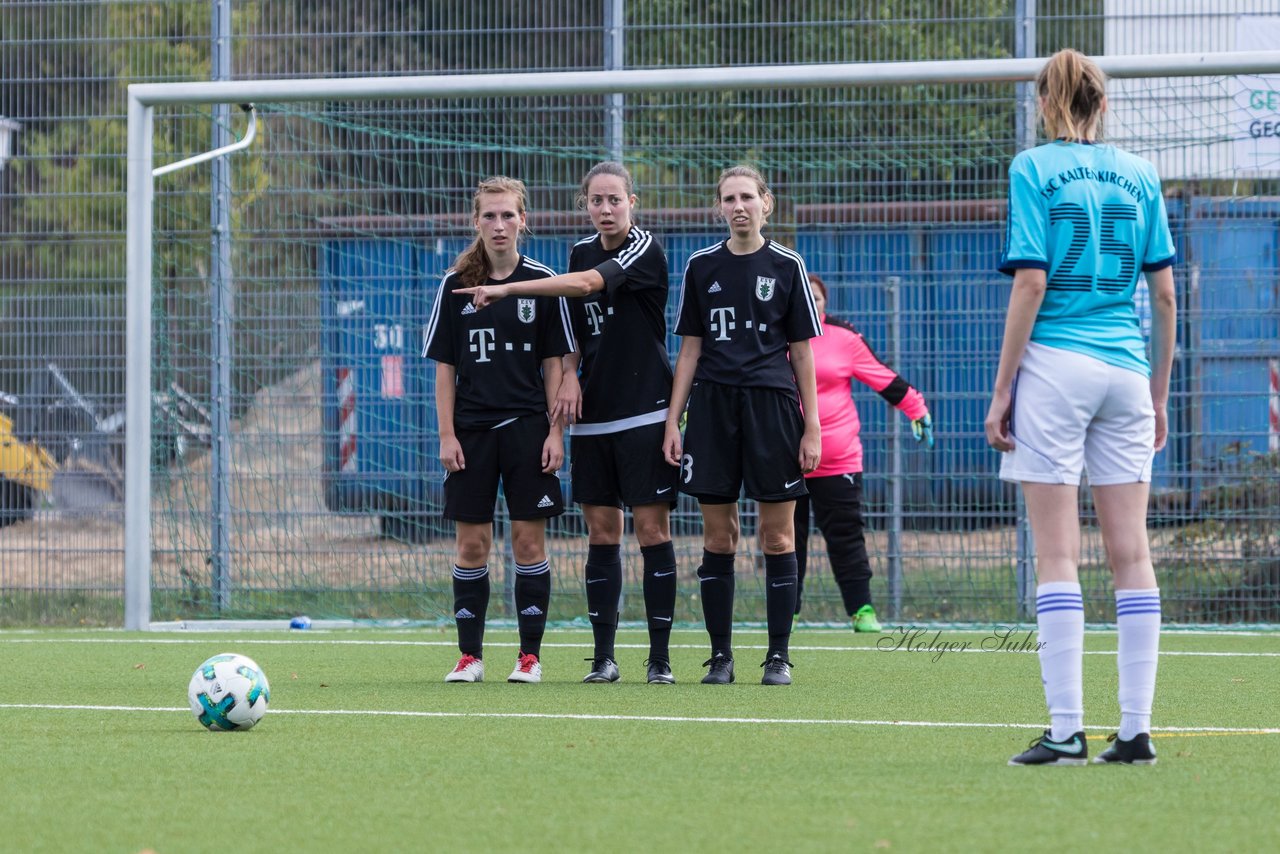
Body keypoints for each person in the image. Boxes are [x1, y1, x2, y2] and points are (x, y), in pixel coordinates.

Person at [988, 49, 1176, 765]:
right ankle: (1135, 731)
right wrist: (1157, 394)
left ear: (1044, 102)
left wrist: (1003, 388)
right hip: (1127, 369)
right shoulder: (1140, 173)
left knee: (1058, 555)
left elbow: (1031, 283)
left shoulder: (1033, 167)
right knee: (1132, 555)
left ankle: (1066, 729)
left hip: (1057, 368)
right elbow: (1162, 295)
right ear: (1102, 103)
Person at [456, 162, 680, 685]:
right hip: (593, 418)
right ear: (585, 205)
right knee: (601, 534)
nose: (606, 209)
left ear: (632, 202)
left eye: (614, 200)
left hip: (645, 409)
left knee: (651, 530)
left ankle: (660, 659)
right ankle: (604, 658)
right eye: (596, 201)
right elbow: (574, 329)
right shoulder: (580, 249)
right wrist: (571, 375)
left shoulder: (643, 247)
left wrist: (509, 290)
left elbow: (584, 286)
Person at [662, 165, 823, 686]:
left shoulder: (787, 265)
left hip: (772, 408)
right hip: (711, 409)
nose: (739, 206)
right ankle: (721, 656)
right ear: (719, 208)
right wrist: (673, 420)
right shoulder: (701, 266)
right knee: (719, 535)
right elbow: (689, 350)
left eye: (747, 197)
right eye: (729, 198)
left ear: (765, 204)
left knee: (777, 538)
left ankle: (778, 656)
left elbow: (801, 353)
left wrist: (812, 426)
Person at [422, 176, 577, 685]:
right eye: (489, 215)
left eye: (508, 214)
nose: (499, 224)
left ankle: (528, 657)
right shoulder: (454, 285)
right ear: (476, 222)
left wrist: (556, 435)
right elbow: (445, 368)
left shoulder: (541, 282)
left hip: (529, 429)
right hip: (471, 433)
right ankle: (470, 657)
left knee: (529, 545)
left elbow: (556, 363)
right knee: (472, 546)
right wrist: (447, 435)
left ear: (522, 219)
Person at [795, 272, 934, 632]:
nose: (812, 303)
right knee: (783, 540)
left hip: (837, 460)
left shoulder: (844, 338)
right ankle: (786, 613)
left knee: (846, 538)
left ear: (826, 303)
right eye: (804, 297)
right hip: (784, 459)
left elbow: (882, 377)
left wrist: (916, 409)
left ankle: (862, 611)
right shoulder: (773, 336)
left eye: (818, 298)